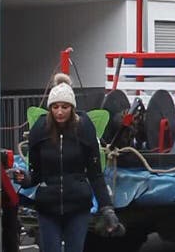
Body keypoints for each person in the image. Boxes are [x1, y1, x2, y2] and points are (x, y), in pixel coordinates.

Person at [13, 74, 122, 252]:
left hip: (78, 206)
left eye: (65, 107)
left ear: (72, 108)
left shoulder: (85, 128)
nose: (60, 112)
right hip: (48, 207)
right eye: (55, 107)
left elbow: (95, 174)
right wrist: (24, 179)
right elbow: (36, 174)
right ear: (50, 109)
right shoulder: (39, 130)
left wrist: (107, 208)